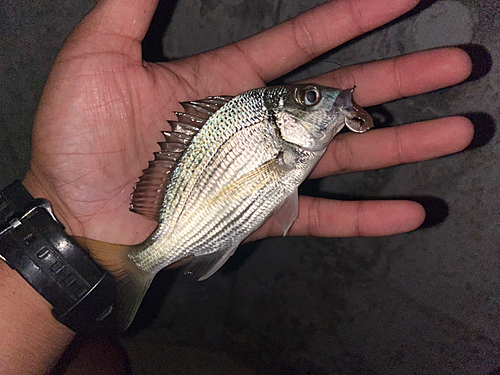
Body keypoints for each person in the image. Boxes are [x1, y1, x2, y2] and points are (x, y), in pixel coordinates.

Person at [0, 0, 474, 373]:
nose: (329, 99)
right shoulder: (270, 134)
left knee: (104, 361)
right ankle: (134, 267)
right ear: (283, 117)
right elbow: (273, 186)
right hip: (185, 222)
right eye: (309, 98)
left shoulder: (289, 141)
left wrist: (63, 223)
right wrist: (69, 221)